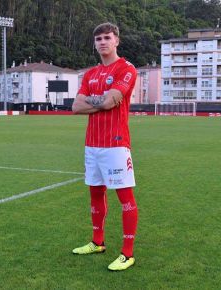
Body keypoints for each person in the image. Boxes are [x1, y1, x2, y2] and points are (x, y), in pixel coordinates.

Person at [71, 22, 138, 271]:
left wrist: (96, 101)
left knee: (125, 199)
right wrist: (102, 101)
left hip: (116, 145)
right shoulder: (90, 74)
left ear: (116, 41)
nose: (102, 42)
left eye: (107, 38)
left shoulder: (127, 69)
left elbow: (111, 101)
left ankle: (127, 253)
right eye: (98, 39)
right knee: (95, 194)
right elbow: (76, 107)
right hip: (92, 145)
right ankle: (97, 242)